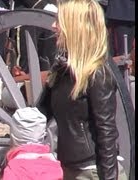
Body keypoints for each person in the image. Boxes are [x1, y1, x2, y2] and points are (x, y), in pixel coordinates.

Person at [36, 0, 127, 179]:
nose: (54, 26)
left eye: (59, 21)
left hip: (92, 171)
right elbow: (40, 113)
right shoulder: (61, 70)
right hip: (69, 168)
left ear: (74, 27)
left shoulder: (97, 74)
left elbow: (106, 133)